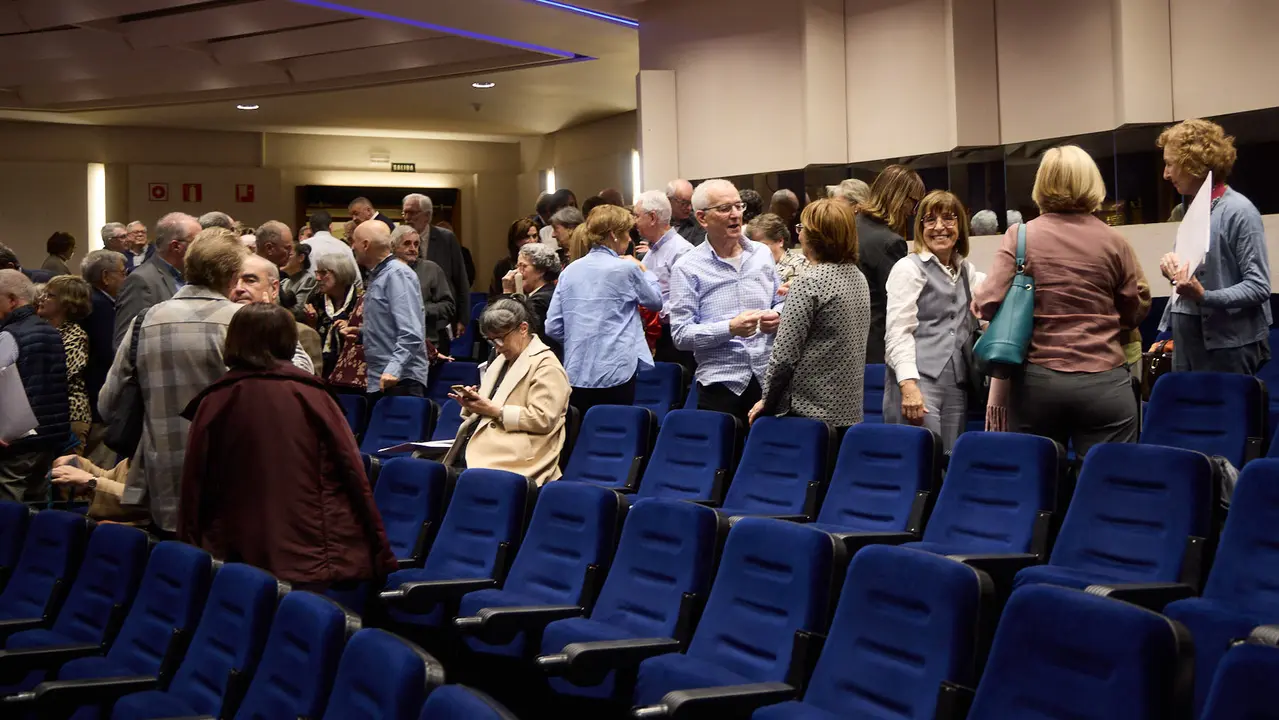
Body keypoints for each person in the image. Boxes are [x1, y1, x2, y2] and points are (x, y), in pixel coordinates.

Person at [179, 303, 396, 588]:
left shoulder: (214, 401)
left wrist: (188, 556)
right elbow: (353, 472)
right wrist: (380, 550)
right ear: (289, 341)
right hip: (310, 548)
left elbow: (193, 485)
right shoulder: (312, 395)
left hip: (234, 549)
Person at [101, 228, 291, 536]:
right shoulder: (245, 323)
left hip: (162, 487)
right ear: (232, 273)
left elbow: (108, 405)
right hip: (235, 485)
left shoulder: (144, 322)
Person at [974, 145, 1147, 458]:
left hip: (1037, 385)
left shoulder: (1021, 236)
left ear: (1042, 183)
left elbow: (986, 304)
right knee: (1103, 486)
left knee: (1036, 485)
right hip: (1105, 382)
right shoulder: (1115, 241)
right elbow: (1133, 312)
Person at [1156, 118, 1271, 374]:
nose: (1165, 174)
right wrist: (1174, 274)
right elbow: (1195, 280)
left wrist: (1204, 297)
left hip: (1227, 351)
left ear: (1192, 164)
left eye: (1170, 164)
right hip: (1189, 346)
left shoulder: (1240, 211)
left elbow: (1259, 286)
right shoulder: (1189, 209)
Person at [668, 179, 783, 424]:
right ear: (702, 218)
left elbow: (779, 300)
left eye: (738, 206)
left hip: (767, 378)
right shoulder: (687, 268)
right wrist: (729, 329)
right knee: (722, 461)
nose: (735, 215)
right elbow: (680, 335)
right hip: (721, 384)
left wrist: (779, 315)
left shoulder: (761, 254)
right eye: (724, 209)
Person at [749, 199, 870, 429]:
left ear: (816, 236)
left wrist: (767, 400)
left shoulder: (809, 282)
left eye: (801, 228)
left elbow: (784, 356)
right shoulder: (858, 277)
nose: (799, 235)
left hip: (807, 414)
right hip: (848, 411)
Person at [883, 191, 987, 452]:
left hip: (957, 382)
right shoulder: (908, 268)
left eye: (949, 218)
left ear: (960, 227)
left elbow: (989, 313)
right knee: (920, 462)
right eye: (930, 220)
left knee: (950, 461)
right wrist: (908, 385)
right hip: (917, 380)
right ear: (920, 228)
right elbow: (898, 332)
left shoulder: (968, 271)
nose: (940, 227)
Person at [547, 205, 661, 414]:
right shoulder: (627, 268)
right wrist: (644, 269)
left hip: (576, 370)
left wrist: (580, 338)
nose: (629, 239)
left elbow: (552, 326)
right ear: (613, 235)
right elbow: (655, 301)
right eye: (626, 233)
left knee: (583, 436)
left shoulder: (569, 271)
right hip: (615, 369)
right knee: (614, 431)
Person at [443, 299, 570, 486]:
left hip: (516, 456)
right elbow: (490, 407)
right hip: (483, 447)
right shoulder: (500, 360)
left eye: (501, 338)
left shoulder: (547, 366)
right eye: (492, 340)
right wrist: (473, 403)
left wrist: (495, 410)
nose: (498, 346)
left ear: (523, 329)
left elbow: (543, 419)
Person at [0, 269, 69, 502]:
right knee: (36, 511)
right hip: (48, 437)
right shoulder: (51, 330)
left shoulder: (8, 336)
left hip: (15, 442)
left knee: (9, 515)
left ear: (11, 300)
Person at [349, 220, 430, 398]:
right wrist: (363, 333)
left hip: (400, 380)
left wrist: (393, 370)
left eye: (353, 241)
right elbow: (391, 324)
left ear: (365, 245)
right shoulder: (379, 275)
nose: (352, 246)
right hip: (382, 377)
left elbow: (411, 333)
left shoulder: (397, 274)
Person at [857, 165, 925, 364]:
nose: (913, 212)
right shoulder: (890, 242)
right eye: (913, 203)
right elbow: (898, 304)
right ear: (897, 197)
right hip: (877, 351)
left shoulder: (852, 226)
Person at [113, 211, 199, 348]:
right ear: (176, 246)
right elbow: (125, 343)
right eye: (197, 242)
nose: (202, 248)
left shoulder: (189, 276)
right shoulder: (141, 281)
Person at [230, 254, 322, 372]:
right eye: (233, 282)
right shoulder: (221, 328)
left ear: (274, 289)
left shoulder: (303, 334)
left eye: (250, 281)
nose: (238, 288)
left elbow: (307, 386)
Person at [632, 190, 694, 366]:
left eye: (637, 216)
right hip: (657, 335)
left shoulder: (681, 251)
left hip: (672, 340)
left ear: (652, 217)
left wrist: (649, 312)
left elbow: (681, 305)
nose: (634, 222)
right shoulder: (651, 252)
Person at [80, 249, 127, 463]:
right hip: (97, 398)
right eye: (123, 273)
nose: (126, 278)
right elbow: (109, 353)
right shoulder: (99, 306)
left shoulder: (91, 299)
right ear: (106, 277)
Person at [401, 193, 471, 338]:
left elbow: (461, 278)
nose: (407, 218)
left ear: (427, 216)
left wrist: (463, 319)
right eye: (405, 212)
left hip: (439, 318)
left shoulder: (446, 238)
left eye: (412, 213)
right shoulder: (398, 239)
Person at [37, 275, 93, 450]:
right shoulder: (43, 330)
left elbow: (60, 373)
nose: (42, 298)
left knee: (68, 473)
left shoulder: (75, 335)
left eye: (50, 295)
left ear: (67, 304)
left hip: (71, 417)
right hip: (49, 417)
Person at [391, 224, 456, 350]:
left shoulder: (431, 269)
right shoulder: (386, 271)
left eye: (416, 244)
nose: (412, 248)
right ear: (393, 246)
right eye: (407, 243)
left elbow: (449, 306)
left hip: (426, 342)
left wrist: (421, 310)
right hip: (392, 342)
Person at [309, 253, 364, 380]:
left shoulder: (361, 299)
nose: (317, 278)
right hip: (320, 370)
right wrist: (311, 323)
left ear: (341, 273)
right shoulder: (315, 299)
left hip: (351, 373)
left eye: (323, 273)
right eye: (317, 272)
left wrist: (351, 328)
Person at [502, 242, 561, 358]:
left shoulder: (540, 300)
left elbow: (508, 326)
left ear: (541, 271)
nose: (517, 272)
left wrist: (507, 291)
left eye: (523, 266)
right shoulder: (542, 294)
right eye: (517, 266)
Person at [747, 213, 809, 287]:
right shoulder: (752, 265)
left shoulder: (799, 263)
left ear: (780, 241)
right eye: (753, 246)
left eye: (762, 245)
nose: (757, 250)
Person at [492, 218, 539, 296]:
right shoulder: (503, 265)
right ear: (516, 240)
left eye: (534, 236)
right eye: (526, 237)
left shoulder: (542, 263)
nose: (532, 241)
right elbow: (494, 296)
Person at [666, 179, 707, 246]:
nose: (689, 208)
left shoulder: (698, 224)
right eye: (684, 203)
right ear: (669, 200)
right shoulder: (658, 220)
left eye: (691, 202)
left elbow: (696, 253)